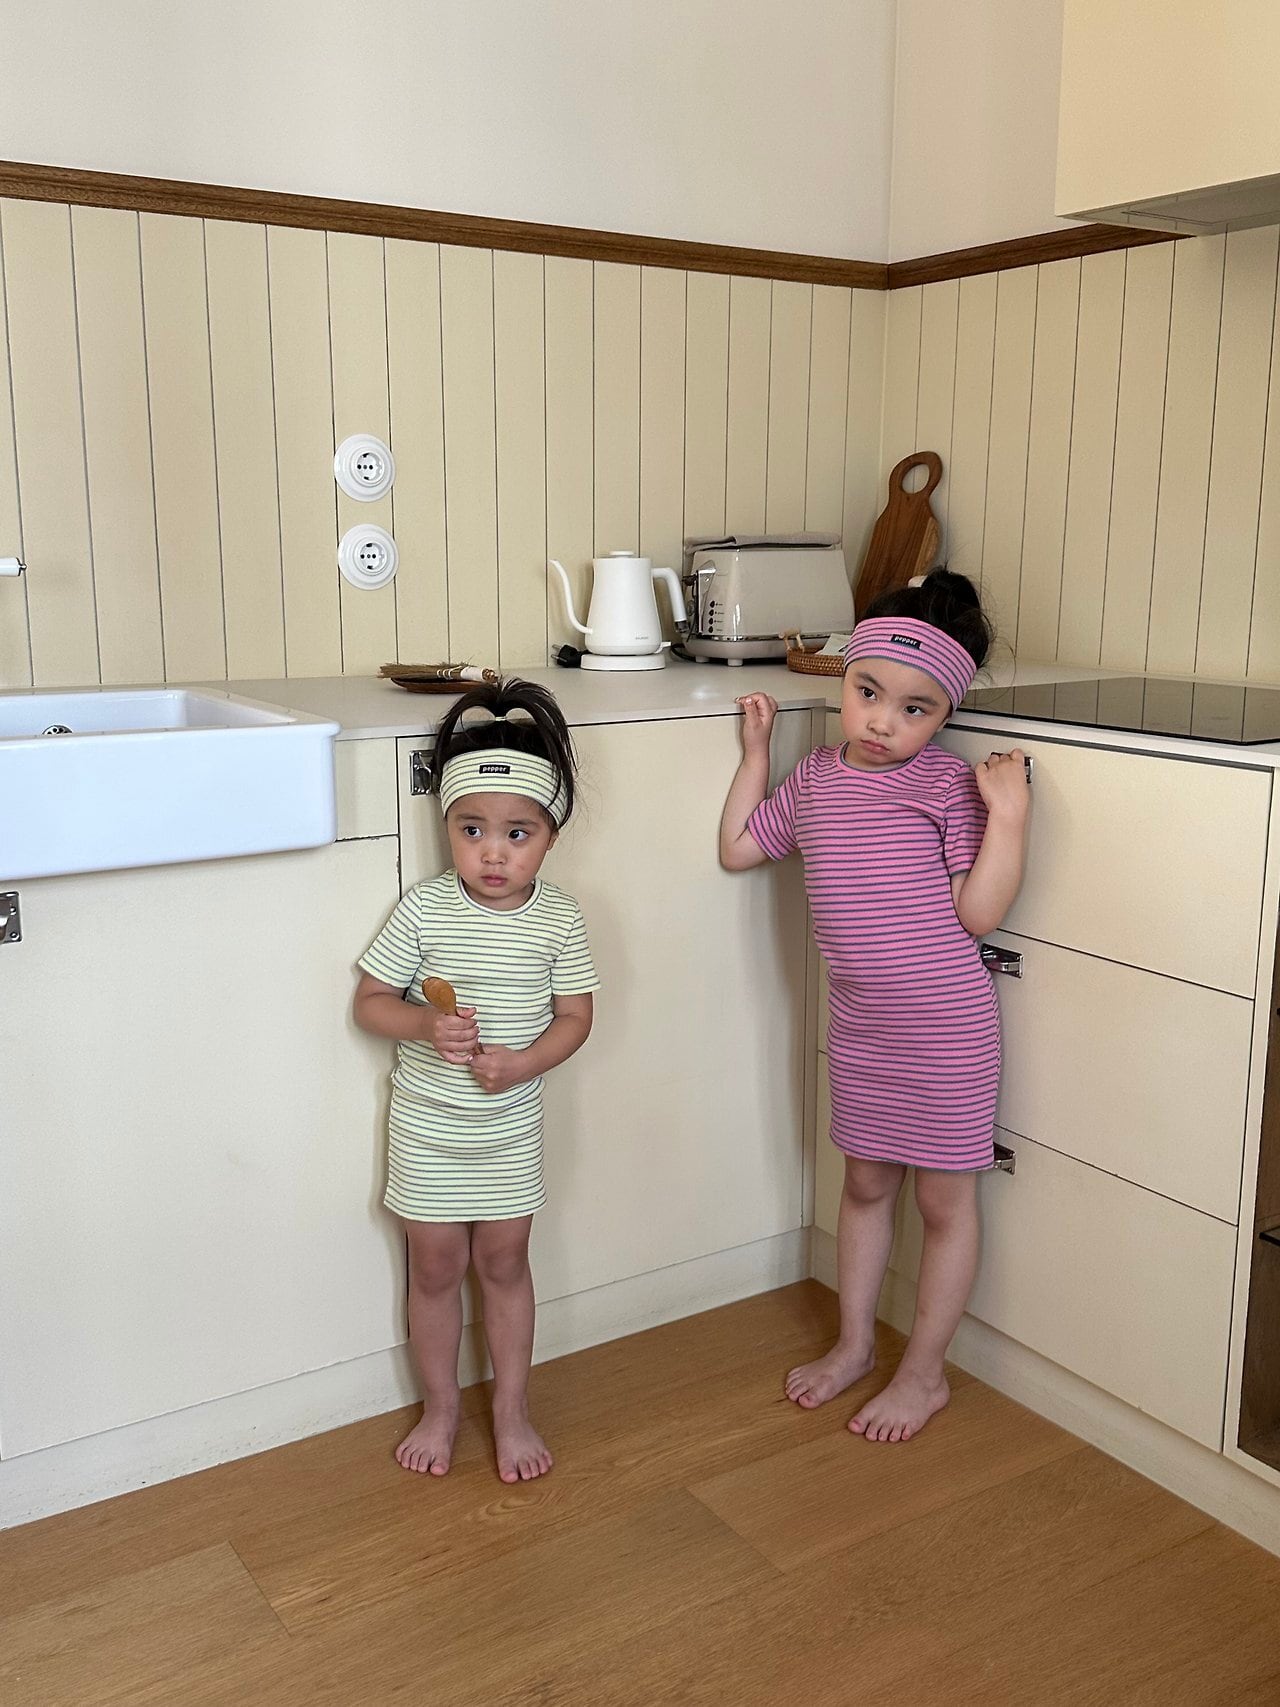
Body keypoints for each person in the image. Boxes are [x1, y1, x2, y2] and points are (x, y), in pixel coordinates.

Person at [719, 570, 1029, 1443]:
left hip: (946, 1031)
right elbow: (739, 847)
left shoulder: (946, 786)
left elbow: (978, 913)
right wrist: (757, 758)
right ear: (846, 679)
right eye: (867, 692)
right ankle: (855, 1345)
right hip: (862, 1030)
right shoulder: (816, 778)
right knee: (863, 1185)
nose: (883, 721)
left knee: (943, 1203)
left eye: (915, 708)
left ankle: (924, 1373)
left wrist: (1008, 817)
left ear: (945, 714)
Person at [354, 677, 598, 1482]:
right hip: (428, 1132)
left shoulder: (559, 918)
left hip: (507, 1132)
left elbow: (576, 1018)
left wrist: (523, 1062)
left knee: (503, 1266)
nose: (494, 853)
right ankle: (441, 1407)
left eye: (517, 832)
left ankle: (512, 1409)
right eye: (472, 830)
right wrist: (426, 1025)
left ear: (550, 835)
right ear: (448, 828)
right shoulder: (424, 909)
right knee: (433, 1270)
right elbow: (370, 1003)